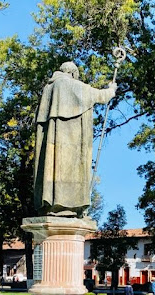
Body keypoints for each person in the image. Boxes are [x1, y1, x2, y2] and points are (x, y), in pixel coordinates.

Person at [34, 62, 117, 217]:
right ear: (73, 73)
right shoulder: (72, 85)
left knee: (52, 166)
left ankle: (51, 203)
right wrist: (111, 89)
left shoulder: (48, 88)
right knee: (71, 168)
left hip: (53, 140)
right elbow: (101, 96)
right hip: (71, 142)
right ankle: (67, 205)